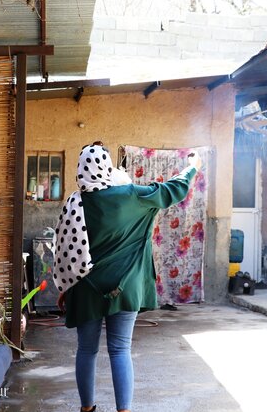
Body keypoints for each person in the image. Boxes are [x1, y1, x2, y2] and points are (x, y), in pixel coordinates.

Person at [54, 142, 200, 412]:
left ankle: (87, 409)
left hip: (87, 289)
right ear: (107, 168)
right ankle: (124, 410)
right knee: (120, 350)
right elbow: (172, 190)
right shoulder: (131, 195)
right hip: (126, 288)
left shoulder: (75, 203)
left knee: (87, 350)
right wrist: (192, 168)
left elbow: (65, 252)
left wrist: (64, 288)